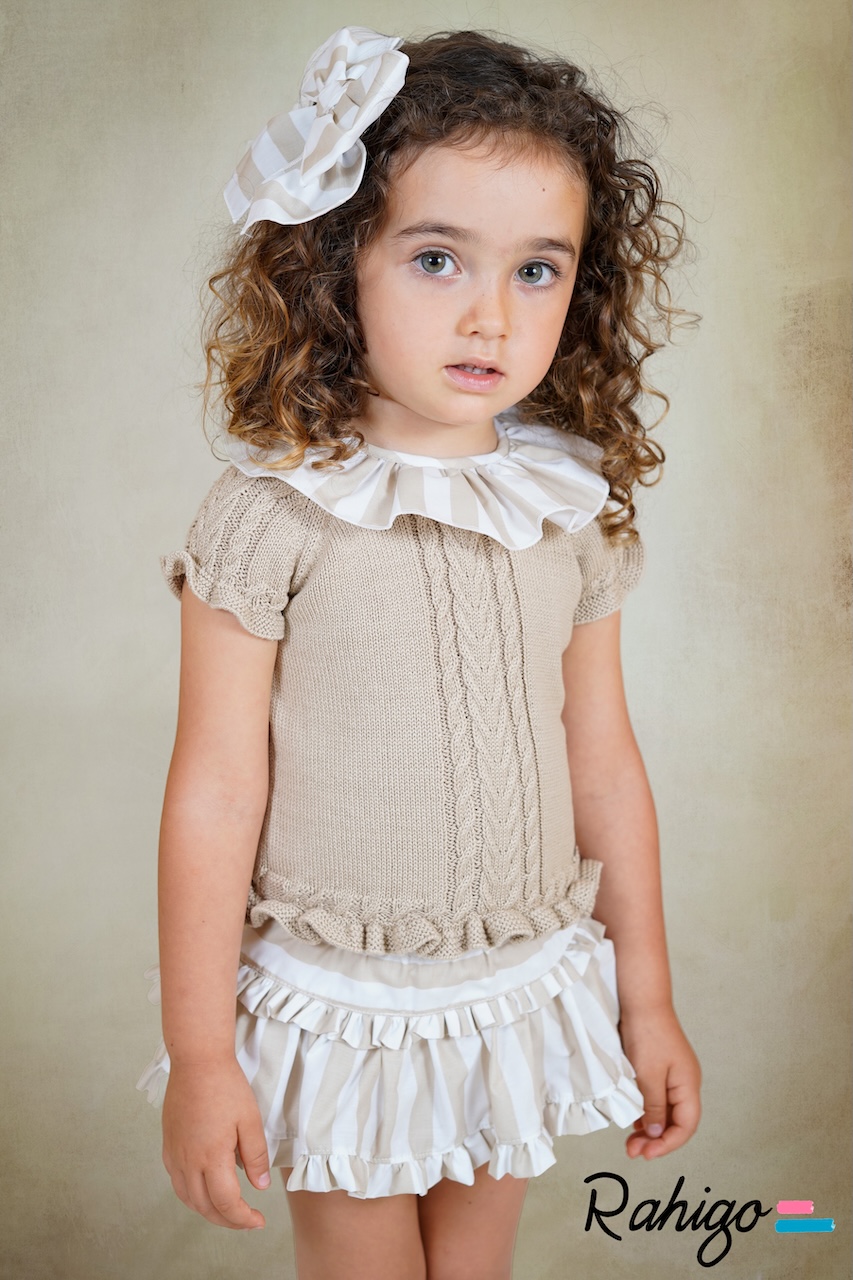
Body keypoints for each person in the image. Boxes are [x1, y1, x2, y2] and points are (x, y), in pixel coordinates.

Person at [136, 24, 702, 1280]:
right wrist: (202, 1055)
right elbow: (215, 788)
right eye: (437, 258)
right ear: (337, 263)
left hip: (518, 981)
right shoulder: (275, 511)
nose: (491, 314)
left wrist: (647, 997)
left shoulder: (568, 508)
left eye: (537, 270)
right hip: (347, 1001)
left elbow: (604, 763)